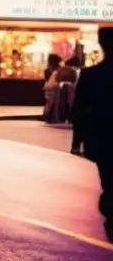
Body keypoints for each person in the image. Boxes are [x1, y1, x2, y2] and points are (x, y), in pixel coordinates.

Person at [71, 26, 113, 241]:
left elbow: (79, 109)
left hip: (103, 136)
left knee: (108, 177)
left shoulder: (92, 75)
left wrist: (78, 139)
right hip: (103, 136)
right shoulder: (92, 74)